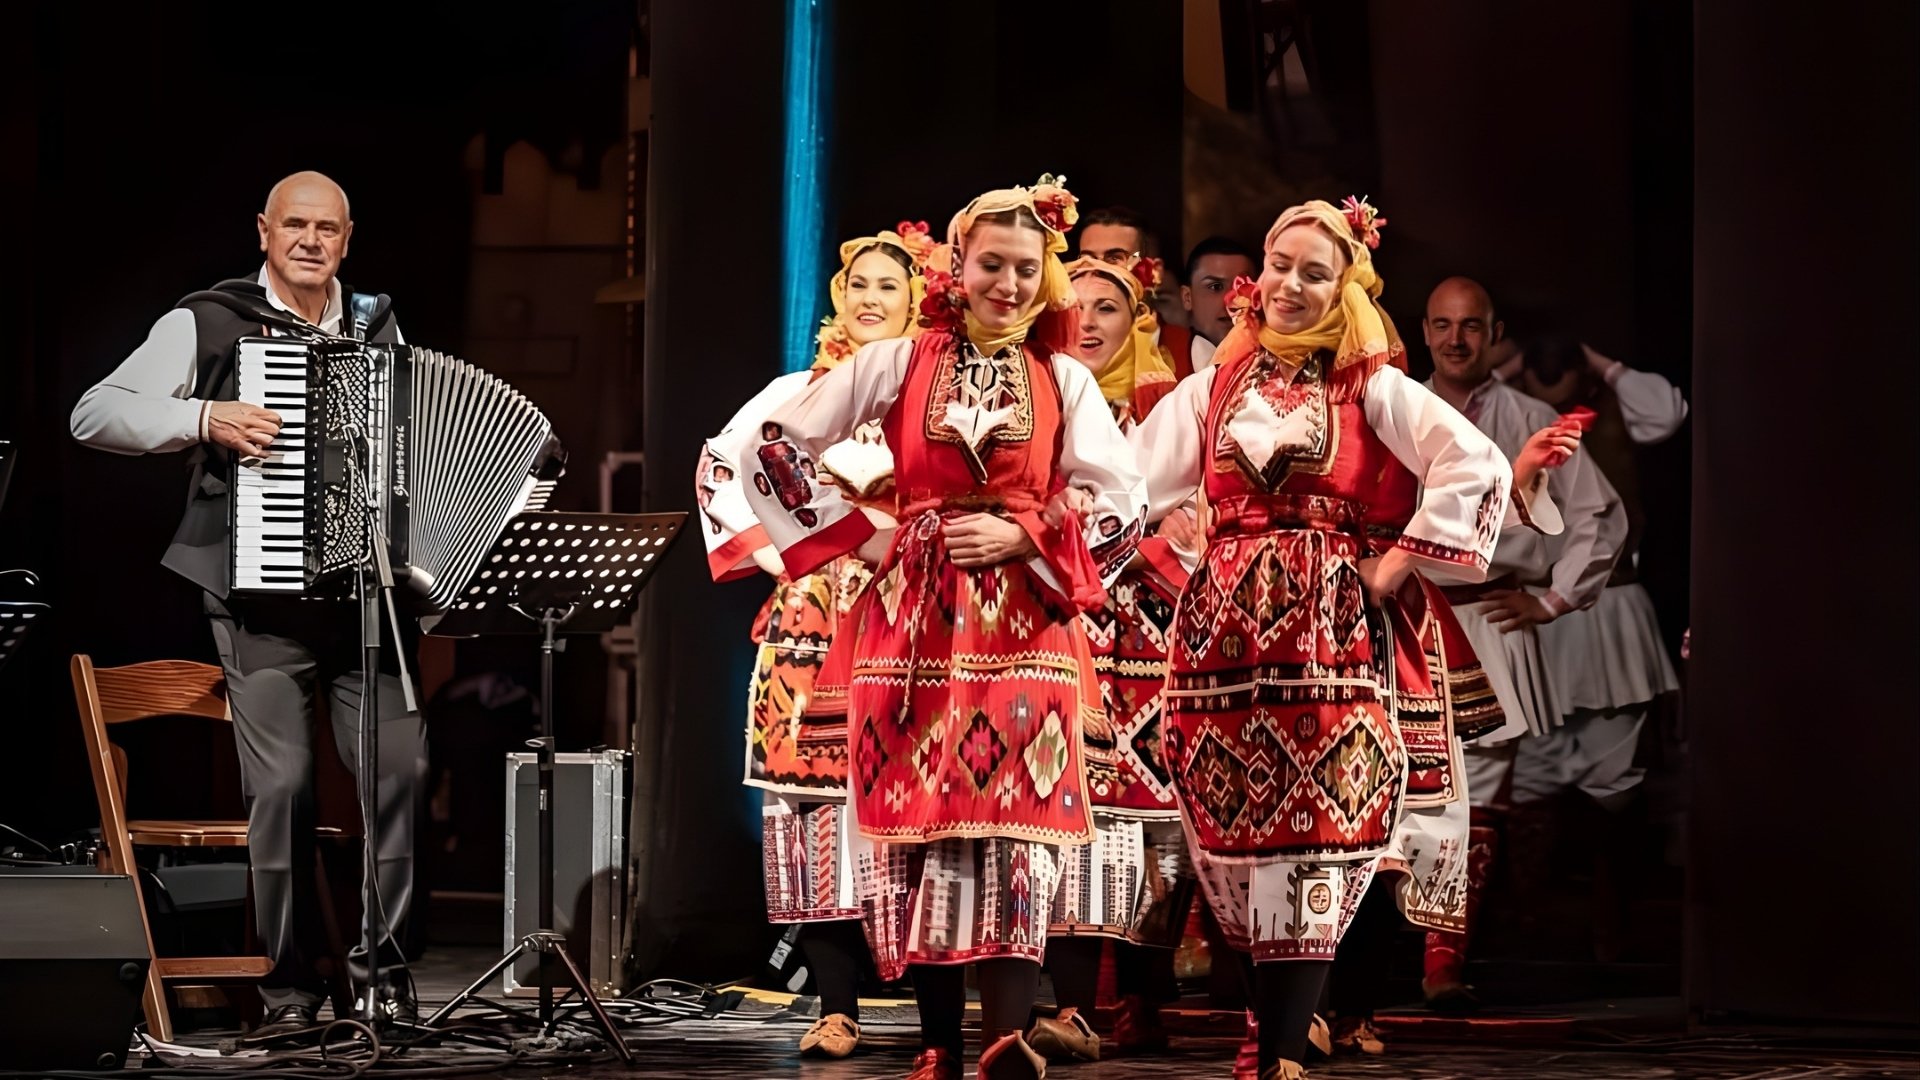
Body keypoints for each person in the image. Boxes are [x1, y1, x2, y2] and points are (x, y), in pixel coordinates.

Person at [740, 177, 1147, 1080]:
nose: (1008, 283)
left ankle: (1003, 1036)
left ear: (1047, 276)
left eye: (1026, 267)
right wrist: (858, 535)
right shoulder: (899, 363)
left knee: (1016, 827)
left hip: (1026, 622)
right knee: (920, 822)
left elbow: (1123, 500)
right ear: (957, 267)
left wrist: (1027, 535)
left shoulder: (1064, 377)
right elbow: (771, 442)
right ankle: (936, 1042)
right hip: (915, 617)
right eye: (991, 264)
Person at [1129, 198, 1525, 1080]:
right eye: (1281, 266)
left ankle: (1280, 1049)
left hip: (1327, 628)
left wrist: (1398, 562)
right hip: (1221, 633)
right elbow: (1122, 484)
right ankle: (1265, 1029)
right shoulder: (1212, 387)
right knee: (1230, 826)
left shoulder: (1366, 385)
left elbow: (1474, 463)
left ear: (1344, 288)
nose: (1291, 285)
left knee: (1315, 826)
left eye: (1315, 273)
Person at [70, 172, 424, 1038]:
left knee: (401, 771)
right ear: (264, 231)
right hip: (260, 602)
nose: (310, 241)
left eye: (327, 229)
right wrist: (204, 418)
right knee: (285, 787)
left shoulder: (376, 325)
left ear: (347, 239)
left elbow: (409, 442)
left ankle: (382, 982)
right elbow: (93, 414)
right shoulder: (211, 319)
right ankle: (288, 989)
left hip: (364, 601)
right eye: (294, 225)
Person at [696, 224, 932, 1059]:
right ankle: (837, 1007)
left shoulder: (931, 394)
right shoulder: (798, 390)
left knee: (920, 805)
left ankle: (936, 1013)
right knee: (814, 812)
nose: (870, 298)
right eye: (857, 284)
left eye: (888, 286)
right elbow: (721, 465)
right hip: (813, 622)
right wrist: (771, 553)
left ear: (917, 301)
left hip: (910, 612)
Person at [1418, 279, 1626, 1010]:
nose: (1456, 340)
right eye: (1443, 325)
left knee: (1478, 792)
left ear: (1495, 333)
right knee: (1397, 790)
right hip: (1407, 617)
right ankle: (1376, 958)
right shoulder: (1393, 409)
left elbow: (1599, 515)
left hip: (1489, 618)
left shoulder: (1532, 419)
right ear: (1424, 331)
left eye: (1471, 326)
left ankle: (1444, 958)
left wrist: (1552, 599)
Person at [1026, 255, 1189, 1064]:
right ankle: (1070, 1005)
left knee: (1156, 818)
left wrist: (1164, 535)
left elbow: (1199, 501)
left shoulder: (1169, 404)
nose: (1088, 322)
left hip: (1155, 631)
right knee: (1075, 810)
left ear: (1138, 323)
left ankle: (1142, 998)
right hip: (1069, 623)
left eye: (1108, 308)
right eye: (1076, 306)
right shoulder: (1036, 397)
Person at [1500, 335, 1687, 956]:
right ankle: (1526, 921)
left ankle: (1612, 922)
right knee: (1529, 771)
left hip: (1608, 612)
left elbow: (1667, 411)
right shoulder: (1506, 413)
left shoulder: (1612, 412)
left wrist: (1602, 364)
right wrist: (1510, 367)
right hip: (1533, 609)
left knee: (1615, 776)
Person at [1179, 236, 1259, 376]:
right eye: (1215, 287)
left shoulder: (1271, 368)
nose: (1231, 301)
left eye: (1241, 286)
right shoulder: (1162, 364)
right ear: (1187, 297)